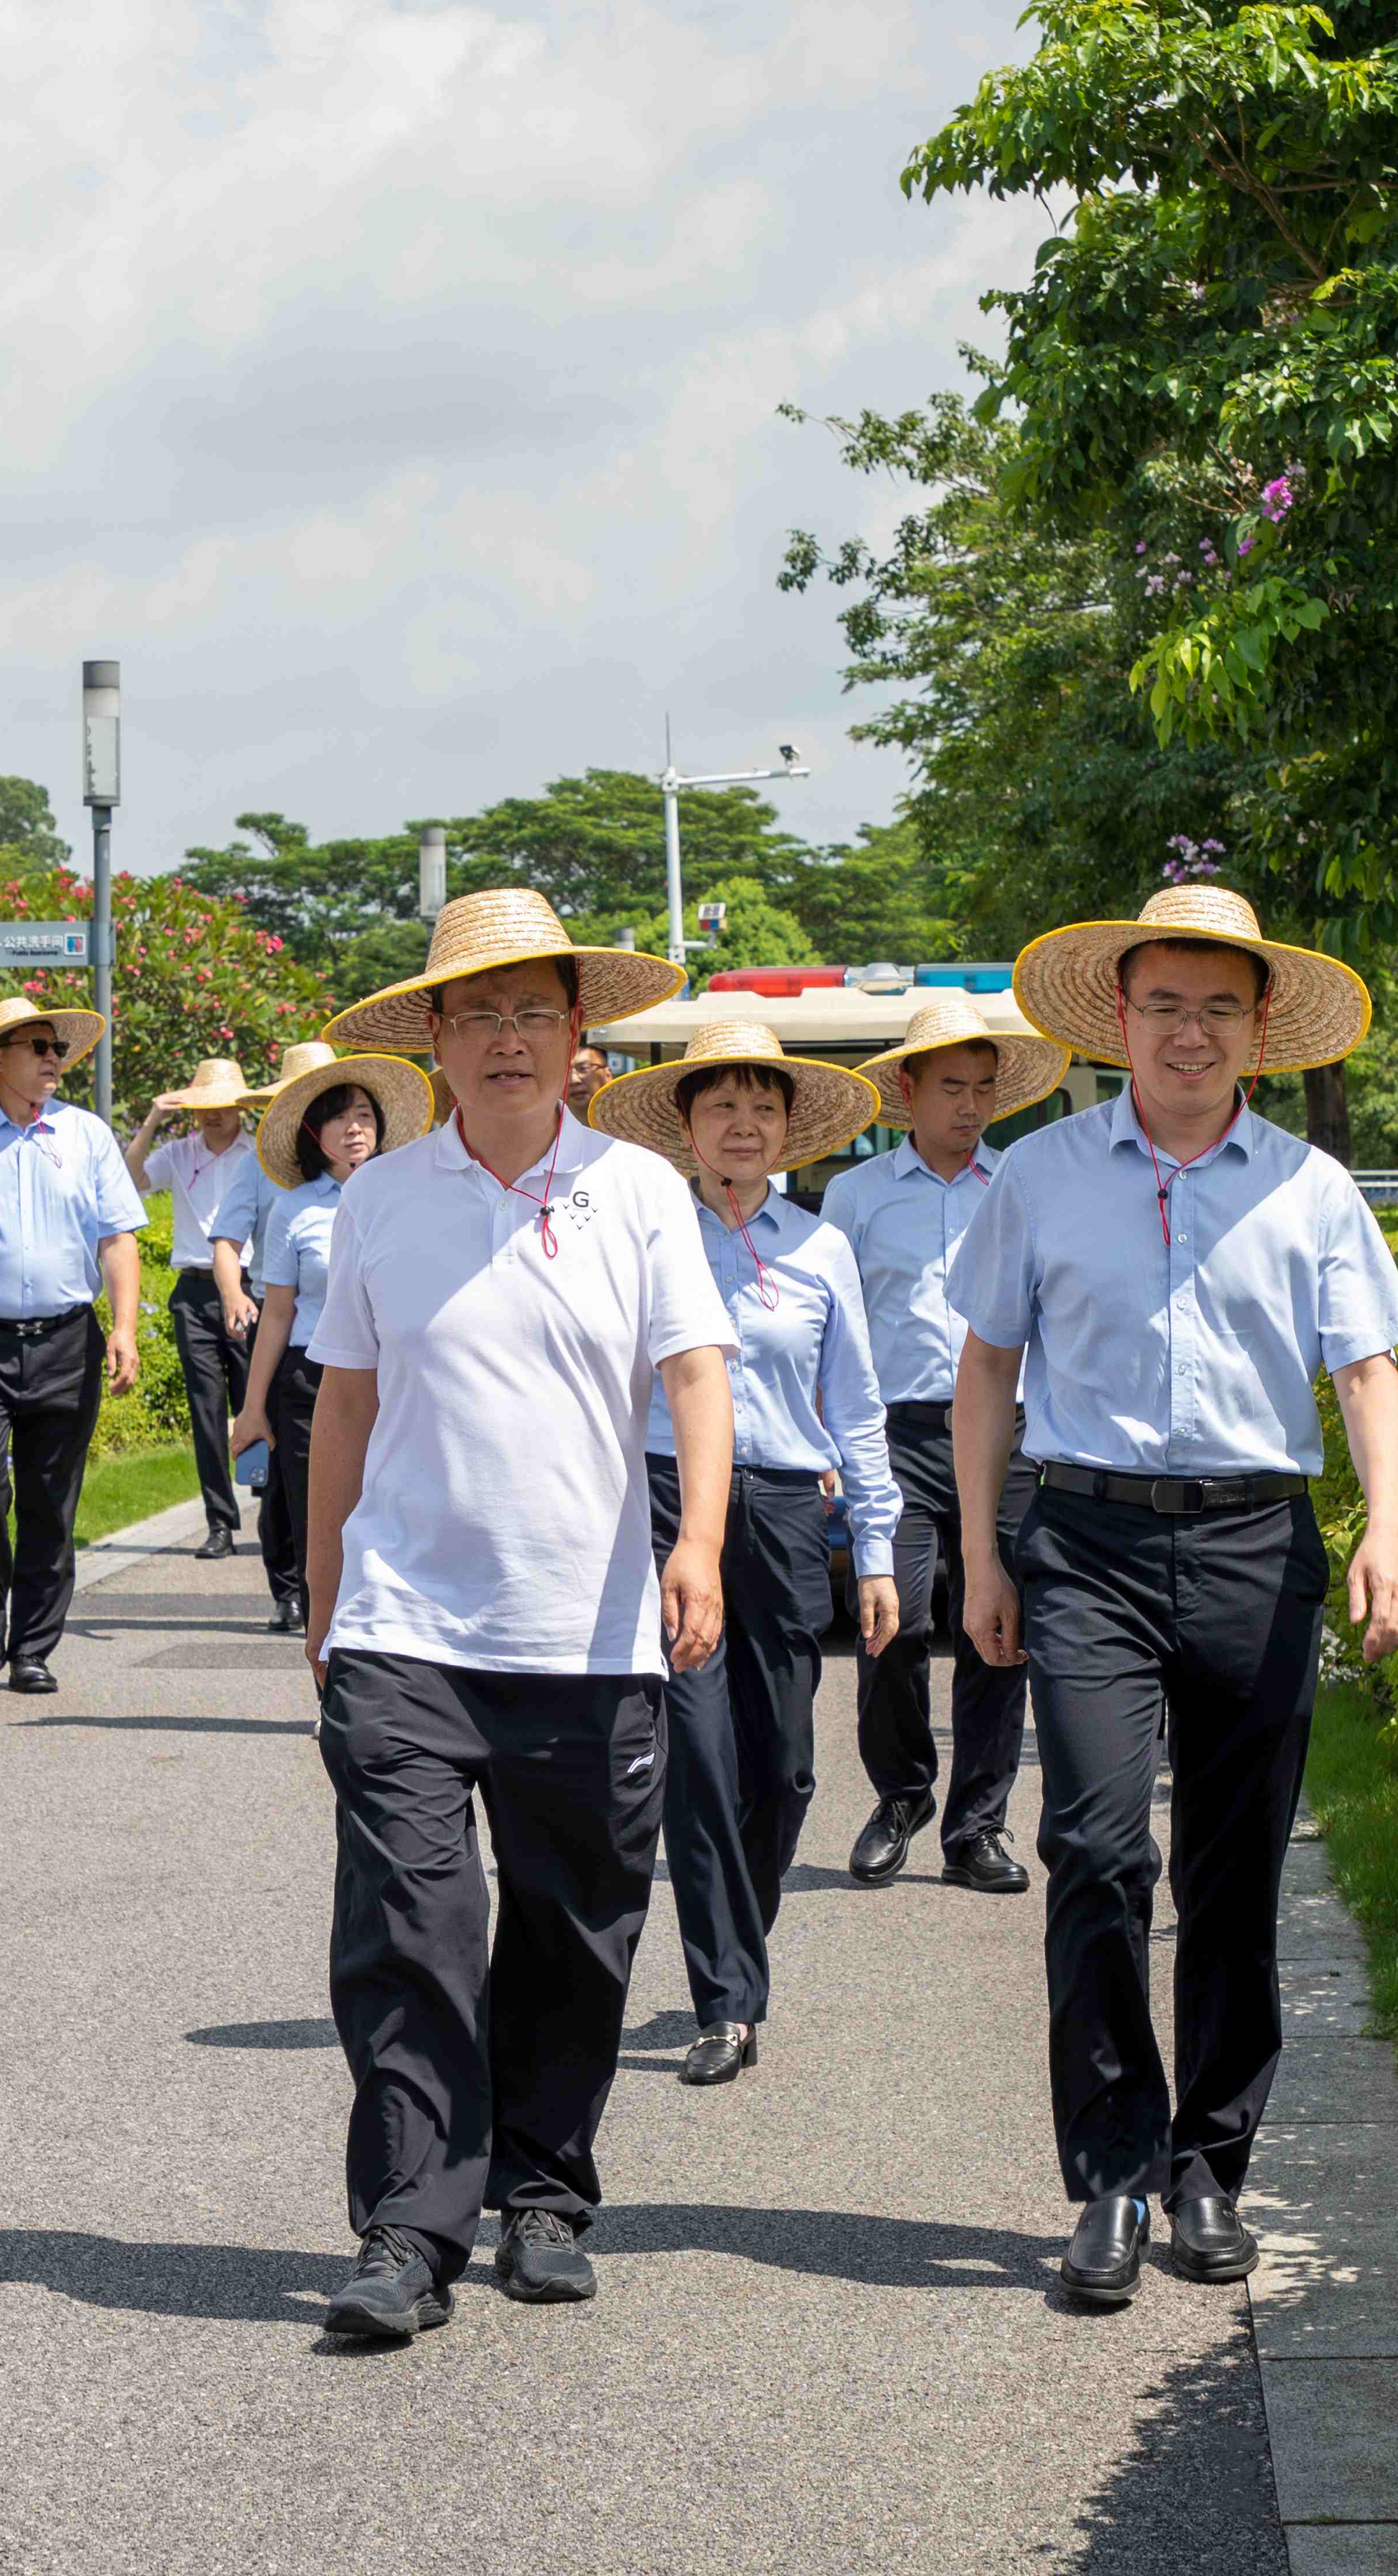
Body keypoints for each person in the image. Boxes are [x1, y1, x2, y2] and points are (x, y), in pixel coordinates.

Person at [953, 884, 1398, 2306]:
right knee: (1096, 1852)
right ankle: (1111, 2174)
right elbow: (987, 1369)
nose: (1190, 1032)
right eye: (1164, 1004)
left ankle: (1210, 2165)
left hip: (1254, 1548)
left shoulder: (1312, 1187)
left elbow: (1365, 1373)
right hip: (1088, 1544)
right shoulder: (1041, 1176)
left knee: (1233, 1870)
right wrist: (983, 1552)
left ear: (1259, 1029)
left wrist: (1387, 1530)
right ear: (1121, 1017)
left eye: (1220, 1007)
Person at [294, 887, 730, 2344]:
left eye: (533, 1012)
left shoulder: (641, 1189)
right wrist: (326, 1595)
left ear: (578, 1033)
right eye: (477, 1013)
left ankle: (542, 2193)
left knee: (573, 1928)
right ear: (433, 1036)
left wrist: (699, 1545)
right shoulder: (379, 1198)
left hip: (586, 1633)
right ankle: (409, 2229)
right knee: (411, 1932)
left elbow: (696, 1375)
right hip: (406, 1629)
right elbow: (343, 1404)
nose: (506, 1038)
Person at [590, 1020, 902, 2086]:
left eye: (762, 1109)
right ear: (685, 1126)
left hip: (782, 1512)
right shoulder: (645, 1235)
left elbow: (856, 1406)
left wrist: (875, 1548)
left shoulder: (822, 1247)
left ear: (789, 1131)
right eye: (721, 1106)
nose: (742, 1126)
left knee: (785, 1766)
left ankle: (738, 1943)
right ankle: (725, 2000)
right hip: (666, 1504)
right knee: (699, 1754)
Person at [822, 993, 1067, 1895]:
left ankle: (978, 1827)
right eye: (952, 1088)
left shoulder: (1022, 1185)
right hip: (898, 1434)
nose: (970, 1106)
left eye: (984, 1089)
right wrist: (828, 1439)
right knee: (894, 1619)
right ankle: (901, 1795)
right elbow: (830, 1324)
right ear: (907, 1091)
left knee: (1000, 1626)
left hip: (1008, 1433)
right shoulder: (855, 1196)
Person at [0, 994, 147, 1699]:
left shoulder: (87, 1135)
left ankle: (33, 1648)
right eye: (39, 1047)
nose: (54, 1059)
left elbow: (117, 1238)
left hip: (67, 1341)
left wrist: (124, 1327)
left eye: (57, 1048)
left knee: (51, 1500)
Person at [224, 1040, 431, 1638]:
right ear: (315, 1134)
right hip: (309, 1382)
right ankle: (328, 1650)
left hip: (396, 1378)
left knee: (399, 1512)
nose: (354, 1127)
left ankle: (392, 1643)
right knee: (321, 1521)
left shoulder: (410, 1197)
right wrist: (253, 1407)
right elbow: (277, 1314)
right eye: (339, 1117)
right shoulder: (293, 1210)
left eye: (364, 1114)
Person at [125, 1056, 271, 1561]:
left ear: (241, 1108)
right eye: (205, 1106)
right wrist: (153, 1119)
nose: (214, 1115)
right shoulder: (179, 1153)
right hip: (193, 1293)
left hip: (249, 1288)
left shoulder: (259, 1154)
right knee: (205, 1411)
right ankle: (220, 1522)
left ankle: (266, 1503)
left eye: (224, 1106)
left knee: (254, 1400)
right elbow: (130, 1179)